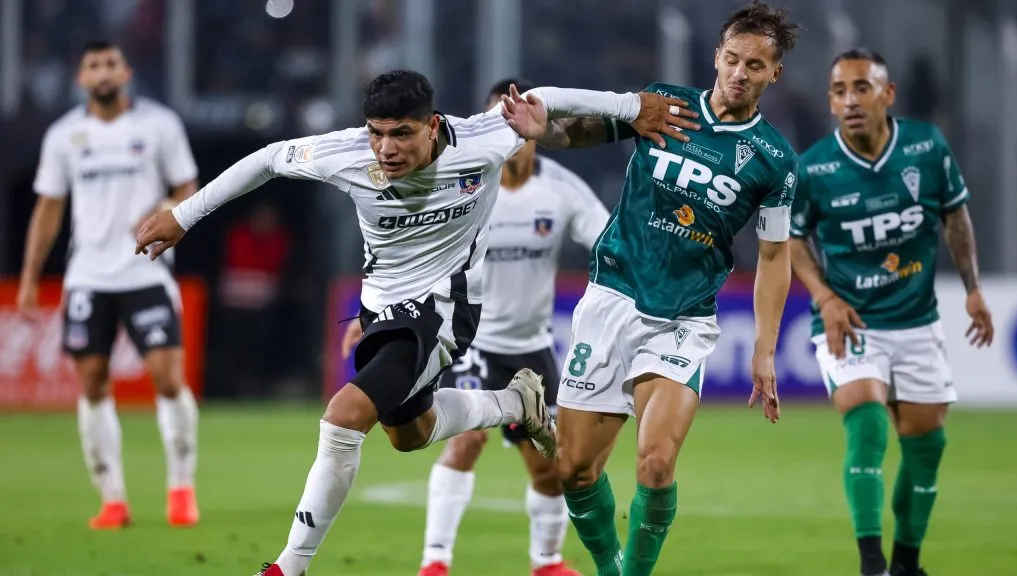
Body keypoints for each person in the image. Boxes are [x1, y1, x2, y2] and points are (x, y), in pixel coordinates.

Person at [133, 69, 699, 576]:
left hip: (446, 307)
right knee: (410, 434)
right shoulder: (346, 153)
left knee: (343, 416)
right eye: (377, 132)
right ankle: (513, 404)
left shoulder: (482, 139)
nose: (386, 148)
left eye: (401, 133)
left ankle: (289, 566)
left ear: (432, 126)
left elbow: (546, 97)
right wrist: (183, 217)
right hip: (381, 308)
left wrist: (632, 107)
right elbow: (266, 160)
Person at [499, 2, 799, 574]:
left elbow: (774, 253)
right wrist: (548, 132)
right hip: (612, 295)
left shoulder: (775, 161)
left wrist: (765, 348)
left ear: (773, 74)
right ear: (716, 56)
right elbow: (590, 128)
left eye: (755, 66)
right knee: (574, 470)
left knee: (656, 462)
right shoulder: (669, 105)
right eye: (732, 59)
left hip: (684, 317)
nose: (740, 73)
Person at [338, 77, 611, 576]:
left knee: (551, 466)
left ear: (534, 128)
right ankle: (435, 561)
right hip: (469, 339)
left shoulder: (562, 191)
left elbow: (608, 242)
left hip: (531, 346)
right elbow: (399, 253)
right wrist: (371, 316)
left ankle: (546, 561)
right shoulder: (462, 179)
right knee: (465, 442)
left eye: (511, 120)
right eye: (494, 120)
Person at [789, 48, 994, 576]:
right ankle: (871, 564)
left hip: (917, 320)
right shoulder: (814, 168)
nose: (850, 100)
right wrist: (826, 298)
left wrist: (972, 288)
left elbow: (955, 214)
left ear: (888, 94)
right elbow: (790, 241)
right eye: (839, 91)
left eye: (861, 87)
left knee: (927, 446)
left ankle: (906, 563)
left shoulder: (927, 147)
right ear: (831, 102)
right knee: (867, 425)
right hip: (851, 320)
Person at [16, 40, 201, 530]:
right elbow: (49, 207)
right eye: (93, 65)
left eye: (110, 64)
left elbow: (188, 187)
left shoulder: (159, 125)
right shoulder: (64, 136)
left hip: (146, 271)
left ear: (126, 71)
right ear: (81, 78)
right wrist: (32, 276)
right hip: (88, 276)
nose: (103, 72)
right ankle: (113, 499)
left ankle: (181, 488)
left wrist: (164, 207)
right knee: (93, 382)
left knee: (167, 377)